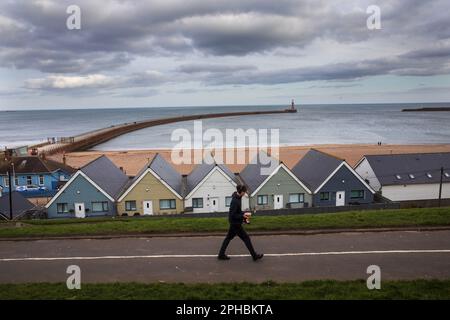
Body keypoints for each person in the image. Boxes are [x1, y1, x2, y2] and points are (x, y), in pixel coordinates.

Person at [218, 185, 264, 261]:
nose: (245, 193)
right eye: (245, 192)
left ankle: (221, 254)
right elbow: (233, 215)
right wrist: (243, 216)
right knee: (246, 238)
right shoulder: (235, 201)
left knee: (228, 238)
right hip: (235, 224)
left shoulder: (238, 198)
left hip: (234, 223)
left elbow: (237, 212)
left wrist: (245, 213)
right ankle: (254, 256)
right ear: (241, 192)